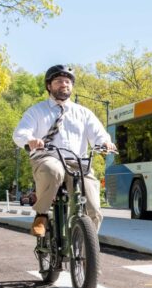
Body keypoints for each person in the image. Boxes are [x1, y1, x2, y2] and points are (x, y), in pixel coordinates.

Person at [12, 65, 116, 237]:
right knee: (54, 170)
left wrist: (105, 142)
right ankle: (42, 215)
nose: (64, 85)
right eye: (59, 81)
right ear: (49, 86)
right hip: (46, 158)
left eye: (68, 81)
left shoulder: (83, 113)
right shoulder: (37, 111)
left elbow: (98, 134)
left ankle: (84, 250)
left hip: (78, 162)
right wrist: (30, 140)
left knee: (94, 209)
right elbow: (20, 133)